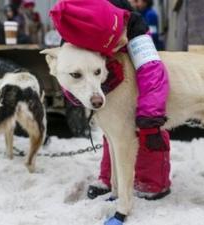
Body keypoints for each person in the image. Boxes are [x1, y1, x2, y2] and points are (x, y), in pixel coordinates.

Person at [50, 0, 171, 211]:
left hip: (130, 69)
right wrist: (77, 95)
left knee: (145, 129)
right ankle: (110, 178)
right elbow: (67, 72)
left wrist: (151, 120)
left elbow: (151, 72)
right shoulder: (75, 25)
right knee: (113, 127)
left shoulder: (134, 24)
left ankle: (152, 182)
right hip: (104, 73)